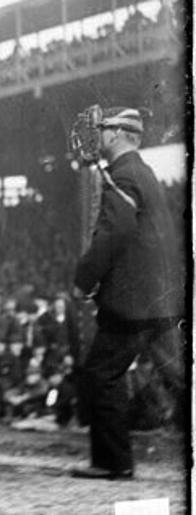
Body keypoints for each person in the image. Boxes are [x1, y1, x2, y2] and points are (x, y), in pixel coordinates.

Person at [69, 106, 186, 480]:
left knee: (102, 374)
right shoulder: (143, 173)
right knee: (180, 378)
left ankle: (112, 462)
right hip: (161, 298)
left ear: (117, 134)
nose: (96, 135)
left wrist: (83, 280)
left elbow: (112, 234)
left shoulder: (124, 175)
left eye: (102, 129)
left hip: (132, 302)